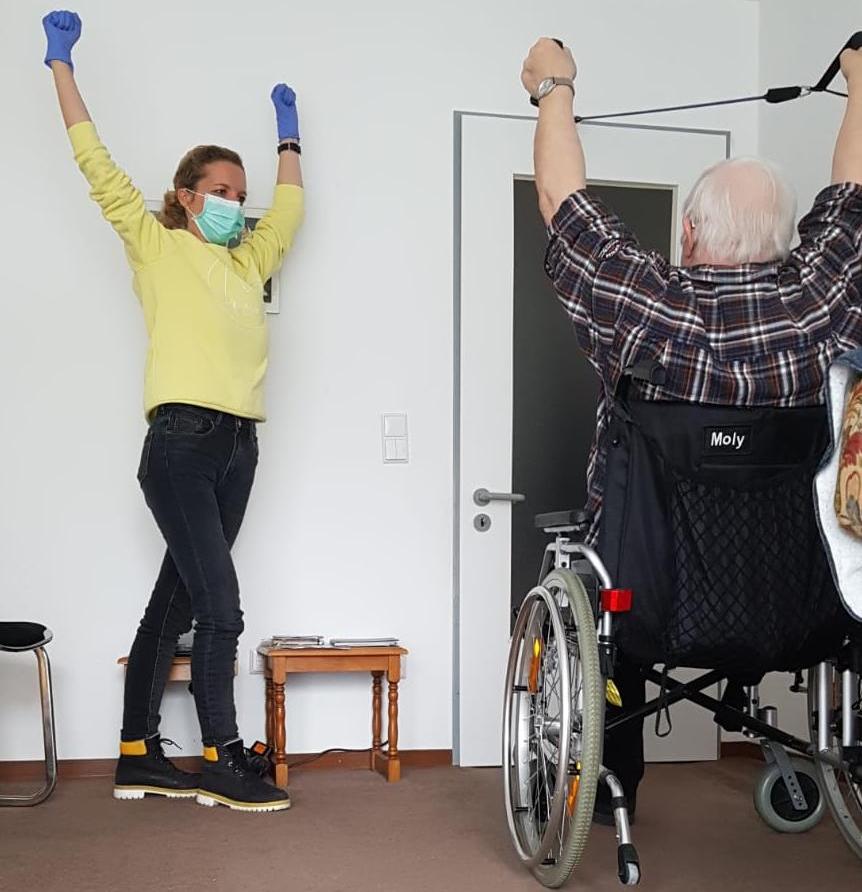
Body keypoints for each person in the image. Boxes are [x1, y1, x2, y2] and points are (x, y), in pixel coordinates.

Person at [520, 37, 862, 823]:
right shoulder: (820, 304)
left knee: (600, 589)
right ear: (781, 240)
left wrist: (555, 86)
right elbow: (852, 194)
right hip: (805, 604)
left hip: (649, 604)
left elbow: (562, 208)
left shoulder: (652, 310)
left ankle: (613, 791)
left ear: (691, 235)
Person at [43, 10, 304, 812]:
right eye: (221, 192)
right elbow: (96, 165)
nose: (235, 203)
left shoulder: (248, 258)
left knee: (179, 598)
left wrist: (288, 138)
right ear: (187, 196)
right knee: (221, 604)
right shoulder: (157, 244)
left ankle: (136, 752)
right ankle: (224, 761)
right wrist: (61, 65)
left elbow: (290, 213)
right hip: (181, 445)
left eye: (241, 193)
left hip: (239, 448)